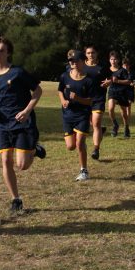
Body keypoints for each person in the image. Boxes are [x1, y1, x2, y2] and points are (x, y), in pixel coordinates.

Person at [0, 36, 45, 215]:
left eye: (1, 50)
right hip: (3, 124)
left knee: (22, 165)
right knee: (5, 160)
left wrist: (27, 111)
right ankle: (16, 200)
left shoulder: (18, 73)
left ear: (8, 53)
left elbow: (38, 90)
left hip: (22, 123)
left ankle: (34, 148)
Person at [58, 49, 96, 181]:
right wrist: (63, 100)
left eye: (75, 60)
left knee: (79, 143)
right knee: (70, 146)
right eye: (71, 61)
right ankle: (81, 145)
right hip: (68, 115)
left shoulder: (89, 80)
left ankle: (84, 171)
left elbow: (91, 101)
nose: (73, 63)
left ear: (83, 62)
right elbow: (60, 91)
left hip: (82, 115)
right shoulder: (65, 76)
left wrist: (78, 99)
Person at [83, 46, 109, 162]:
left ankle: (96, 149)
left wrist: (109, 81)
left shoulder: (103, 67)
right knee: (92, 124)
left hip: (98, 99)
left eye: (93, 52)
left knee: (96, 123)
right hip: (83, 100)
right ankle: (100, 131)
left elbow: (111, 77)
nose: (91, 55)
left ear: (96, 53)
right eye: (88, 53)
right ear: (85, 54)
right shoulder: (81, 66)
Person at [106, 51, 131, 138]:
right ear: (109, 60)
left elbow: (128, 81)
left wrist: (118, 81)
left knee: (124, 112)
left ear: (118, 60)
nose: (113, 61)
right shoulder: (107, 70)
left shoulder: (123, 71)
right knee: (110, 108)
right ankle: (115, 125)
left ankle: (126, 127)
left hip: (122, 92)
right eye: (111, 59)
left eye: (115, 59)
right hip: (112, 91)